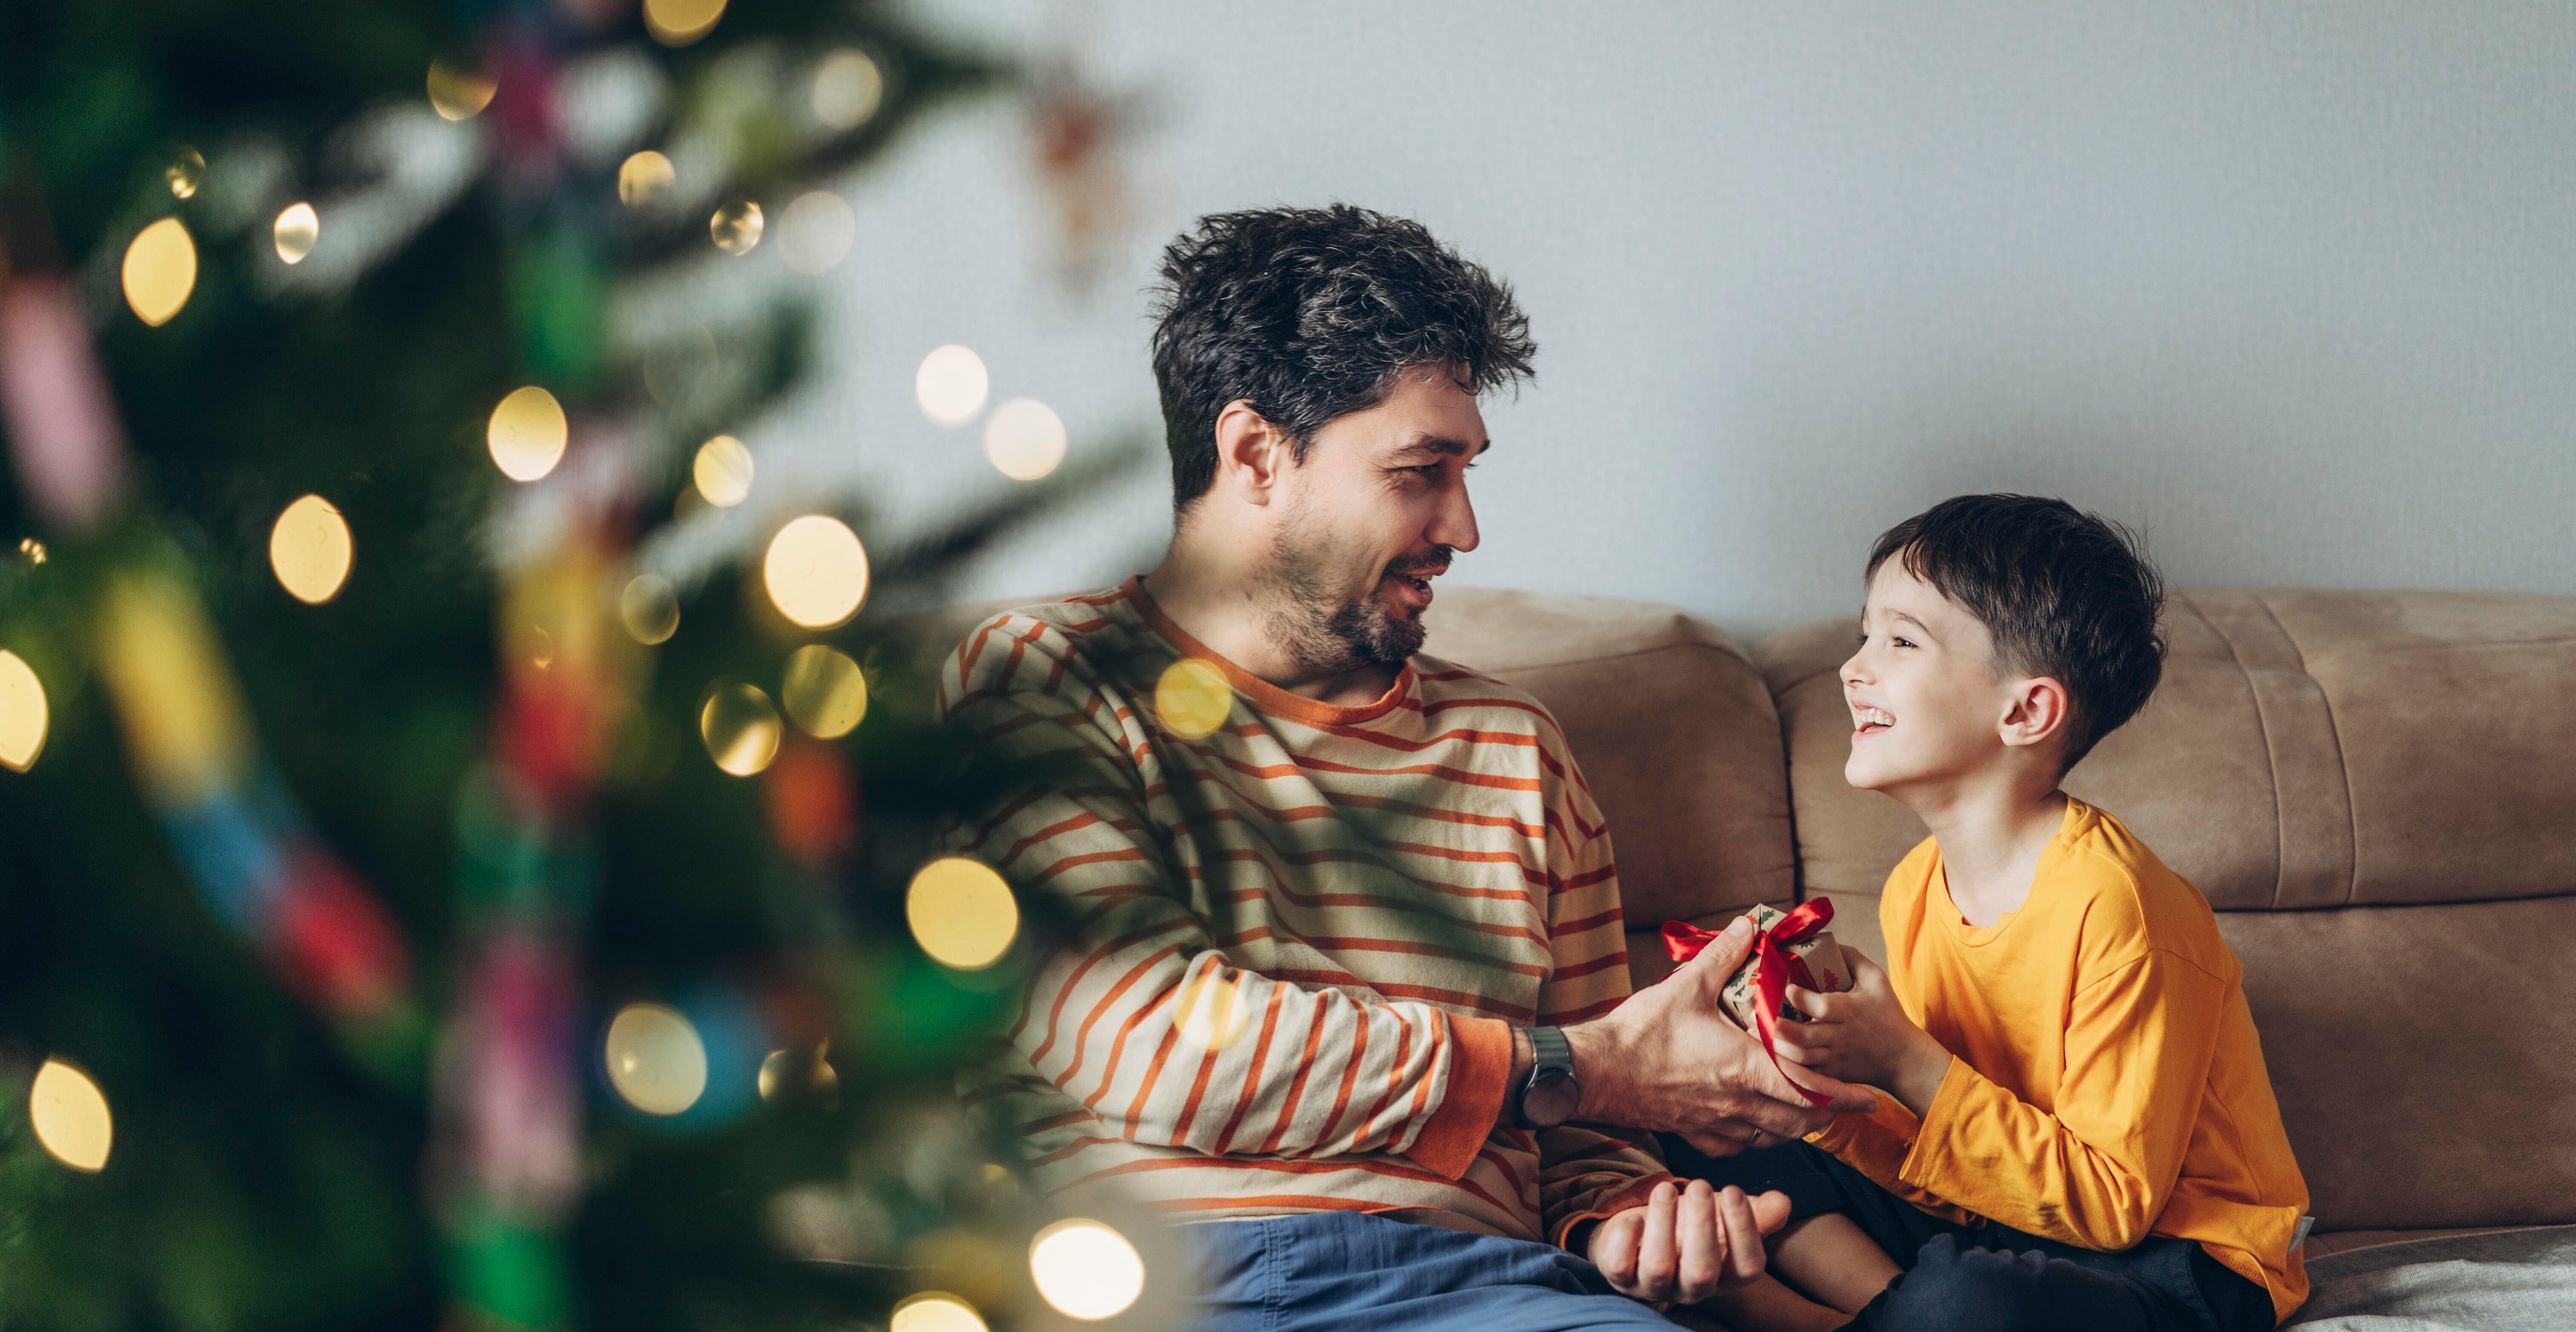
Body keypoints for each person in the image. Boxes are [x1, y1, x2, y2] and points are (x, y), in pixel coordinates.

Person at [937, 205, 1872, 1329]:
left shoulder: (1514, 749)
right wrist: (1574, 1067)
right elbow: (1153, 1041)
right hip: (1150, 1283)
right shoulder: (1044, 678)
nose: (1463, 527)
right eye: (1421, 471)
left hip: (1486, 1291)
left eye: (1466, 471)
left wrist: (1627, 1219)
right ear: (1255, 455)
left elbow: (1590, 1134)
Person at [1666, 495, 2311, 1332]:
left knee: (1972, 1299)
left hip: (2180, 1259)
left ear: (2026, 711)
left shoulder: (2123, 907)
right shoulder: (1915, 885)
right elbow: (1954, 1161)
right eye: (1865, 634)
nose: (1853, 667)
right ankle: (1886, 1313)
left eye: (1901, 641)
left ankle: (1853, 1318)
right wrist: (1816, 1080)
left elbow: (2112, 1206)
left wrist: (1906, 1059)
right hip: (2004, 1214)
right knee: (1709, 1120)